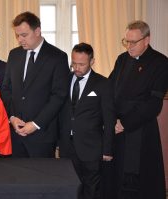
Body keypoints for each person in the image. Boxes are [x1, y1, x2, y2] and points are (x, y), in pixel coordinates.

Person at [109, 20, 168, 199]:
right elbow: (110, 89)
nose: (129, 46)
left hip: (140, 128)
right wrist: (111, 118)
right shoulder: (122, 59)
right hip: (117, 126)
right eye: (126, 41)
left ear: (146, 40)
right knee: (117, 177)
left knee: (137, 179)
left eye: (133, 42)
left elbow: (154, 103)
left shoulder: (160, 62)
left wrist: (125, 123)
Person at [1, 11, 70, 157]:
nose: (20, 40)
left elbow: (58, 96)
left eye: (24, 35)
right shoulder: (14, 55)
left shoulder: (57, 57)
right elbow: (6, 89)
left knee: (41, 179)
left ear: (37, 31)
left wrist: (36, 124)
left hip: (42, 135)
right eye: (17, 35)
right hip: (15, 134)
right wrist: (12, 117)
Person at [58, 43, 116, 199]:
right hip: (66, 147)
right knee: (69, 187)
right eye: (74, 63)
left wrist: (107, 149)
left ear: (92, 61)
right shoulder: (64, 80)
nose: (77, 67)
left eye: (82, 64)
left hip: (91, 148)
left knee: (91, 188)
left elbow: (109, 119)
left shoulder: (103, 84)